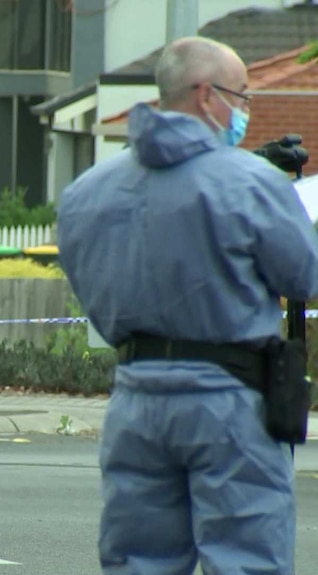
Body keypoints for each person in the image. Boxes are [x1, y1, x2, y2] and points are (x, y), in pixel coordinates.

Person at [57, 36, 318, 574]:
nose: (246, 109)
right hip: (231, 401)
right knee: (247, 560)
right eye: (242, 95)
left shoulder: (86, 191)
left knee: (139, 561)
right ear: (206, 95)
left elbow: (91, 288)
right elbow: (304, 276)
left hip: (135, 399)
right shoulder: (252, 182)